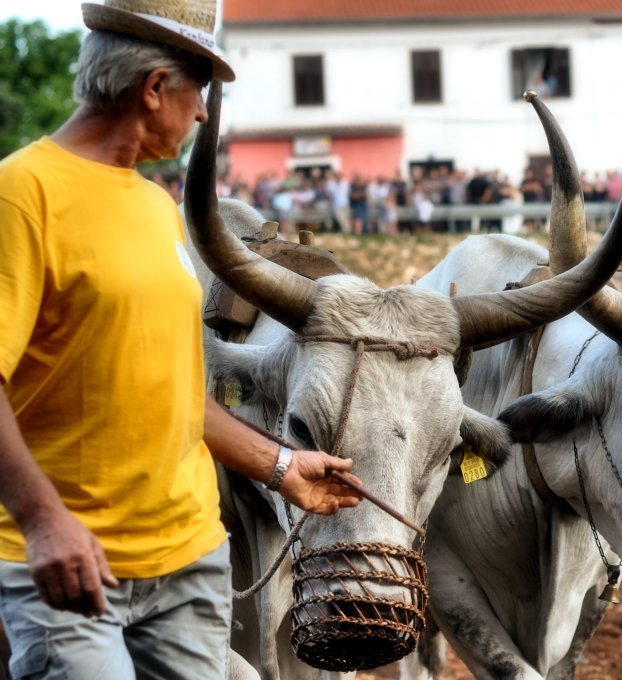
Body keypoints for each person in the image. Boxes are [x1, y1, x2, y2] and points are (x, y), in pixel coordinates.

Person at [0, 2, 361, 678]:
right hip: (73, 568)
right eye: (198, 90)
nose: (201, 115)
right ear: (155, 87)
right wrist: (44, 521)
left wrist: (282, 467)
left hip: (189, 559)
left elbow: (175, 391)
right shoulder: (22, 193)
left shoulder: (156, 208)